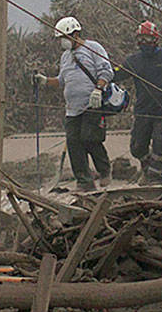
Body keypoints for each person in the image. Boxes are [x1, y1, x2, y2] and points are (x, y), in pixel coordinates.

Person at [47, 15, 113, 191]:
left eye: (64, 38)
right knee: (74, 144)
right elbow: (61, 80)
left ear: (75, 34)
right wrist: (44, 81)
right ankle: (84, 182)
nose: (62, 42)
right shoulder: (65, 57)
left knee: (90, 138)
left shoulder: (92, 48)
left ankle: (104, 170)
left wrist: (98, 89)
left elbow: (106, 70)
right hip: (72, 110)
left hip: (92, 104)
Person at [121, 20, 162, 183]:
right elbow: (116, 74)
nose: (144, 43)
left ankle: (156, 178)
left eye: (147, 39)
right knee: (136, 147)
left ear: (155, 39)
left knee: (161, 146)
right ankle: (149, 169)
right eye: (140, 39)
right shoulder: (133, 60)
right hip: (143, 110)